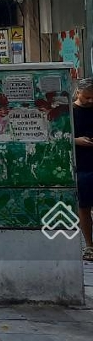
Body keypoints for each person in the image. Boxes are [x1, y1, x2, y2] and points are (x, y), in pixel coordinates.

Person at [73, 79, 93, 260]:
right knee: (84, 207)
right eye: (87, 97)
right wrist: (76, 141)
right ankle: (89, 245)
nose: (90, 101)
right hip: (82, 165)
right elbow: (59, 135)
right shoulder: (70, 111)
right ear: (78, 93)